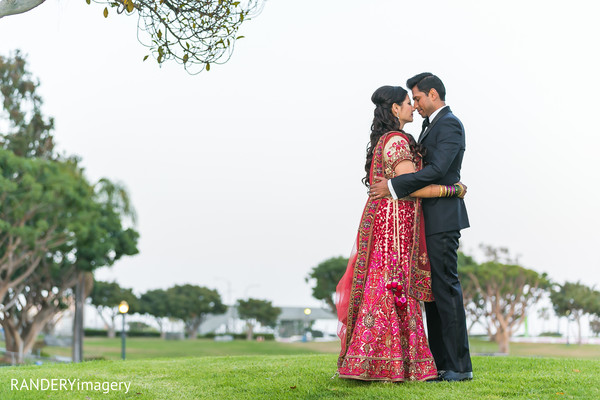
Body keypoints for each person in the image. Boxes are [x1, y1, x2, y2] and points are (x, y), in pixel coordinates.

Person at [335, 85, 466, 382]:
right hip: (396, 224)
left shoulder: (388, 139)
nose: (413, 107)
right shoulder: (397, 140)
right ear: (395, 109)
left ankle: (373, 361)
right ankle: (390, 364)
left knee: (382, 285)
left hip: (389, 222)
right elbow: (409, 186)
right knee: (394, 287)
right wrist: (452, 189)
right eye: (408, 102)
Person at [369, 73, 473, 382]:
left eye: (417, 98)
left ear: (432, 94)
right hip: (424, 219)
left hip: (442, 219)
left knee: (446, 289)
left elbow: (439, 170)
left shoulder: (450, 124)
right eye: (411, 101)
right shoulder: (430, 127)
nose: (415, 105)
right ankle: (441, 364)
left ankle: (459, 367)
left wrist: (393, 185)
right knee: (431, 294)